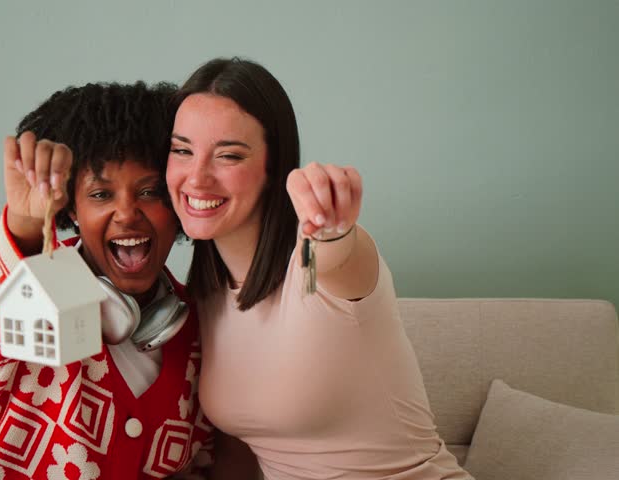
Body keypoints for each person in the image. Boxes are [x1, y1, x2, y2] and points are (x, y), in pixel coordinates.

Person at [165, 57, 473, 479]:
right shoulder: (207, 296)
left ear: (274, 168)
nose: (196, 178)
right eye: (182, 151)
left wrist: (330, 227)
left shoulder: (319, 268)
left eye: (229, 156)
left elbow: (334, 252)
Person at [0, 82, 213, 480]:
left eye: (149, 191)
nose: (127, 213)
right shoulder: (41, 289)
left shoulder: (199, 333)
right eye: (100, 194)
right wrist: (27, 221)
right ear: (72, 209)